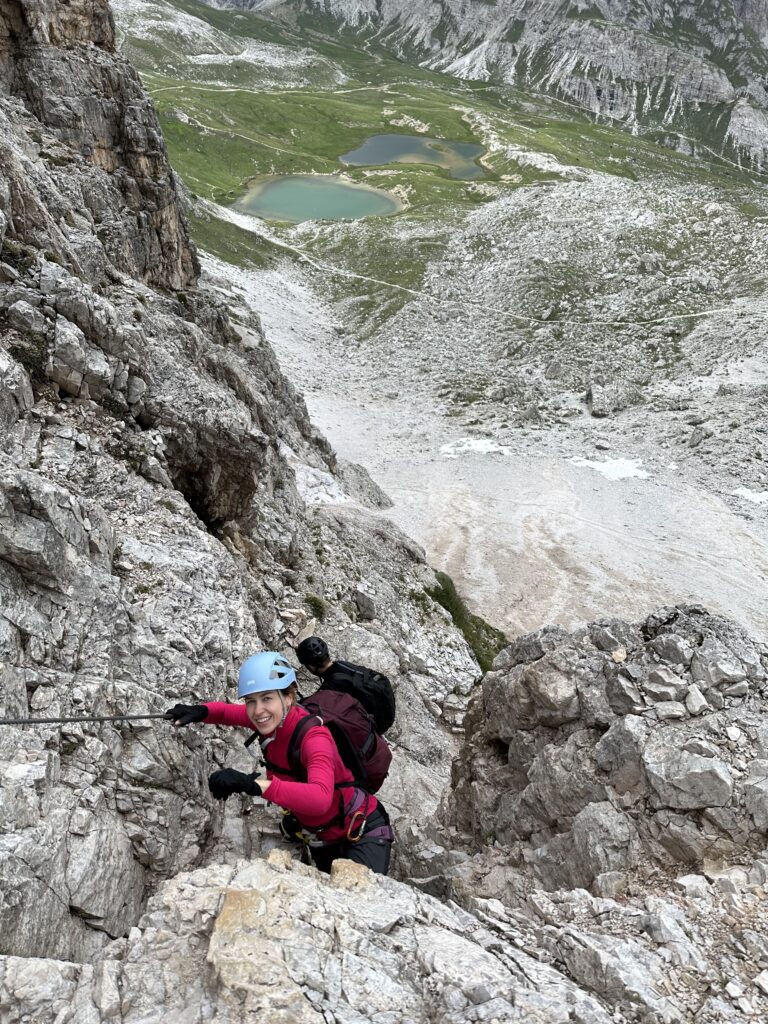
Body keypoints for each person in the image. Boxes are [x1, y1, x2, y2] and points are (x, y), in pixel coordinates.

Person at [166, 651, 394, 875]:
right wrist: (198, 711)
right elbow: (226, 713)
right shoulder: (269, 720)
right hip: (321, 837)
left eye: (267, 698)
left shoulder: (315, 738)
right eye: (250, 701)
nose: (257, 710)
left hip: (362, 833)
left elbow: (320, 799)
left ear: (288, 697)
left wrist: (253, 785)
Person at [295, 636, 395, 734]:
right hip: (385, 714)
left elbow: (314, 703)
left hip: (374, 726)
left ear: (310, 667)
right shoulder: (343, 665)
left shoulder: (330, 688)